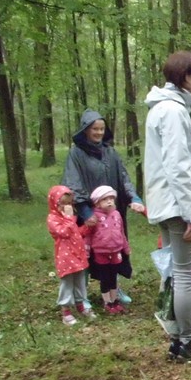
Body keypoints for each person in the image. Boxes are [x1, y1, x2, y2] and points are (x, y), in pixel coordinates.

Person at [144, 50, 191, 362]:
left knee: (176, 273)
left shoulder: (160, 109)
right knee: (186, 275)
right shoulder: (173, 112)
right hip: (178, 205)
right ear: (184, 76)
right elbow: (178, 166)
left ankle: (177, 339)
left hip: (165, 202)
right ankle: (188, 341)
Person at [62, 109, 146, 305]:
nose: (99, 133)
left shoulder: (110, 152)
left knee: (112, 249)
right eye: (94, 129)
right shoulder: (76, 154)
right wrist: (86, 212)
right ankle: (81, 296)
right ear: (86, 130)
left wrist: (135, 197)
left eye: (101, 129)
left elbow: (123, 178)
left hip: (111, 215)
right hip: (89, 216)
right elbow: (73, 184)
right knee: (84, 253)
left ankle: (114, 289)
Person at [46, 185, 94, 325]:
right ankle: (65, 311)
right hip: (65, 257)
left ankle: (80, 306)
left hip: (78, 254)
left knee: (80, 281)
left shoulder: (70, 219)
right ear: (55, 203)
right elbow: (64, 233)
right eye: (64, 203)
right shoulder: (53, 218)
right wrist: (68, 218)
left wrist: (87, 227)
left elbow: (76, 233)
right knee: (67, 283)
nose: (67, 207)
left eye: (70, 203)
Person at [84, 186, 132, 315]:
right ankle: (107, 302)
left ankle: (115, 299)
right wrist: (86, 249)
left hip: (116, 251)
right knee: (105, 277)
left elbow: (121, 232)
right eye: (105, 199)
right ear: (97, 202)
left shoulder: (117, 215)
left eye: (111, 198)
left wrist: (125, 248)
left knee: (114, 277)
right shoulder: (94, 217)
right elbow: (88, 235)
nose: (110, 201)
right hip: (101, 252)